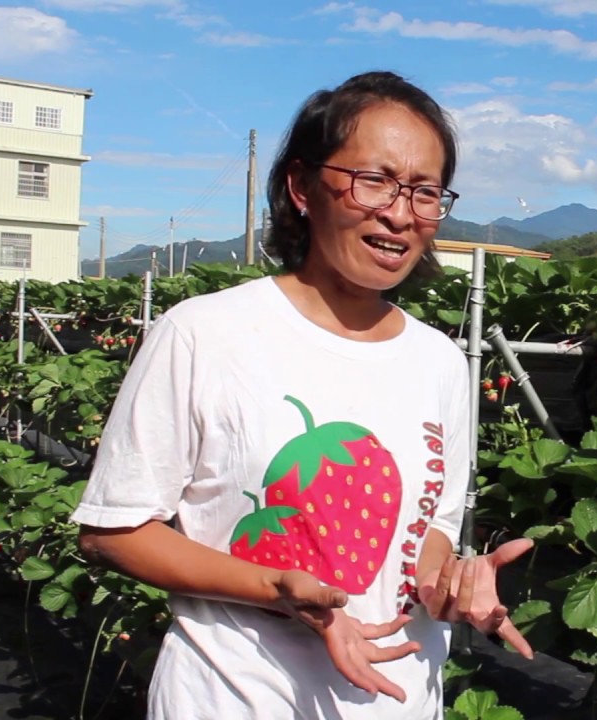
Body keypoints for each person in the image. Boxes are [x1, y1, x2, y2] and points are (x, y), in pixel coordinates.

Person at [71, 70, 534, 719]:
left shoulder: (438, 361)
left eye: (425, 192)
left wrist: (449, 583)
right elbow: (113, 530)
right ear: (301, 188)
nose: (400, 213)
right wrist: (273, 586)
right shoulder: (207, 333)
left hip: (400, 703)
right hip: (238, 699)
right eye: (374, 180)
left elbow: (427, 530)